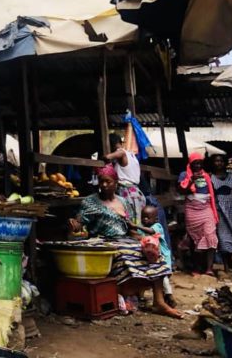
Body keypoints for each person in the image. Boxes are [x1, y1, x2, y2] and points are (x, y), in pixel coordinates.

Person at [69, 165, 181, 319]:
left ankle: (159, 301)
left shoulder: (123, 201)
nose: (104, 185)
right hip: (103, 241)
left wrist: (144, 240)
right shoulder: (90, 202)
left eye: (108, 182)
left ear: (116, 182)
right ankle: (126, 294)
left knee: (154, 252)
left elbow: (130, 227)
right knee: (126, 255)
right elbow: (79, 223)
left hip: (126, 238)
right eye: (101, 182)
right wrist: (75, 224)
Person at [178, 153, 219, 276]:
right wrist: (191, 181)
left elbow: (212, 193)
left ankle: (209, 268)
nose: (198, 165)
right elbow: (181, 191)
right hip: (192, 209)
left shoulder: (206, 176)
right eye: (195, 163)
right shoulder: (184, 175)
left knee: (210, 234)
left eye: (200, 163)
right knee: (194, 238)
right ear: (190, 164)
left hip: (206, 209)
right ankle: (196, 268)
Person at [139, 205, 177, 308]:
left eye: (147, 217)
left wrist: (136, 226)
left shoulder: (157, 226)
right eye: (143, 217)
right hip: (151, 257)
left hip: (163, 257)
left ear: (155, 219)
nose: (144, 219)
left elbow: (151, 232)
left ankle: (169, 295)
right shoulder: (142, 229)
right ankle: (142, 296)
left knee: (163, 275)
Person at [105, 133, 146, 225]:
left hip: (127, 192)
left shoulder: (121, 152)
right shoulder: (131, 155)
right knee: (136, 221)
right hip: (136, 192)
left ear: (112, 144)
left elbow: (107, 157)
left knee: (128, 221)